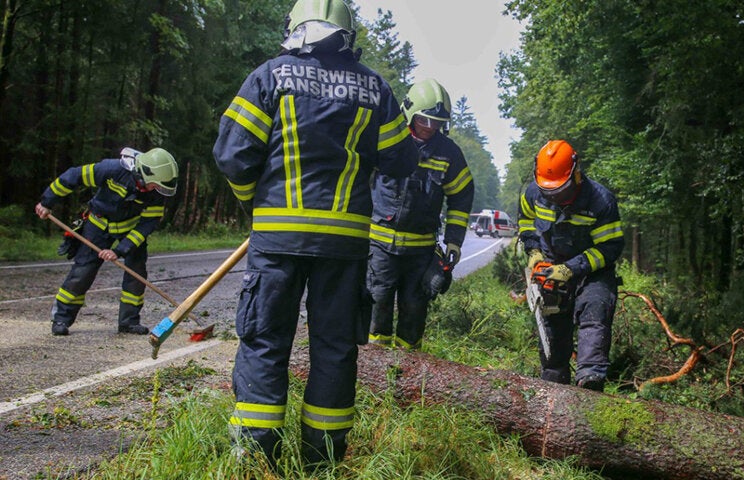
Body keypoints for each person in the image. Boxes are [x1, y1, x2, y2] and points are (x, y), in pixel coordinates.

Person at [212, 0, 417, 468]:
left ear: (295, 28)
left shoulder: (269, 76)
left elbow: (233, 156)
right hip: (344, 245)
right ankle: (322, 462)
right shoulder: (376, 88)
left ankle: (256, 461)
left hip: (277, 239)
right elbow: (402, 160)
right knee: (335, 348)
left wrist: (253, 202)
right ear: (347, 35)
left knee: (265, 341)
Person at [367, 78, 475, 349]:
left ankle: (408, 367)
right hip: (380, 246)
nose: (430, 127)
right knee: (376, 305)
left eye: (436, 123)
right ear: (409, 113)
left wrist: (454, 241)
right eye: (424, 120)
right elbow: (359, 179)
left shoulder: (449, 154)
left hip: (420, 252)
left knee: (414, 312)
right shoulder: (387, 140)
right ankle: (375, 364)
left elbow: (462, 195)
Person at [35, 147, 179, 336]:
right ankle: (61, 319)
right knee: (83, 272)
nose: (157, 189)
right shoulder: (111, 170)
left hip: (130, 230)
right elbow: (73, 176)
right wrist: (46, 202)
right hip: (98, 224)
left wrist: (119, 250)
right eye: (155, 184)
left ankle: (129, 322)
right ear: (144, 174)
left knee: (136, 274)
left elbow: (147, 225)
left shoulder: (156, 194)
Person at [518, 139, 624, 391]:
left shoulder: (600, 201)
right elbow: (526, 223)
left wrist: (570, 269)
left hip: (593, 272)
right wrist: (534, 252)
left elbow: (609, 248)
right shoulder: (533, 194)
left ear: (575, 175)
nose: (554, 196)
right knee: (553, 334)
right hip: (551, 265)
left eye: (560, 190)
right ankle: (554, 386)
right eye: (549, 191)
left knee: (594, 314)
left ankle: (590, 382)